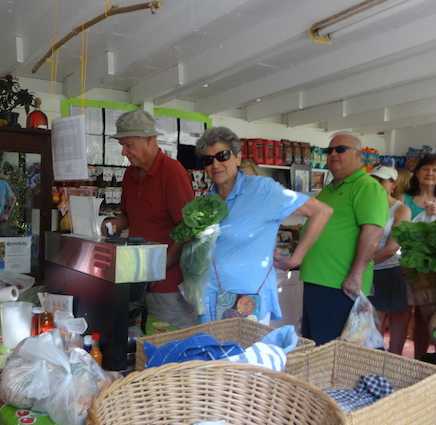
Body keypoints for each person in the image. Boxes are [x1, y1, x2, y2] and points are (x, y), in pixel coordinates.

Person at [194, 127, 332, 325]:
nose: (215, 164)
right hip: (208, 300)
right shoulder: (207, 201)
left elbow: (321, 211)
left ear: (238, 158)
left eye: (222, 156)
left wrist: (296, 259)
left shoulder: (262, 190)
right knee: (210, 356)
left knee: (243, 357)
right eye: (208, 160)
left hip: (246, 303)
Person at [106, 110, 197, 328]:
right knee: (141, 346)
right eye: (122, 145)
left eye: (128, 145)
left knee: (171, 347)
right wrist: (112, 224)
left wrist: (164, 263)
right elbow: (127, 215)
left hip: (168, 286)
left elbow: (188, 228)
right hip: (137, 280)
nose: (123, 152)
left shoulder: (172, 173)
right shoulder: (130, 175)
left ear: (149, 139)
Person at [299, 132, 388, 345]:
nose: (333, 155)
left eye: (340, 149)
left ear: (358, 155)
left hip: (341, 285)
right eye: (329, 150)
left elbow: (373, 232)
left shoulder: (366, 185)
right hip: (317, 280)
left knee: (334, 351)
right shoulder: (329, 188)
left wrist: (356, 274)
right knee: (315, 345)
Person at [367, 165, 412, 355]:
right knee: (374, 318)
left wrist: (363, 264)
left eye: (381, 181)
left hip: (390, 269)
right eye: (373, 180)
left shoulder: (401, 210)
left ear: (393, 184)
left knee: (399, 317)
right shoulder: (364, 205)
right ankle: (376, 359)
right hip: (368, 270)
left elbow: (392, 247)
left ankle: (396, 358)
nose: (376, 184)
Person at [401, 154, 436, 358]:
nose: (430, 173)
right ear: (417, 172)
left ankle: (424, 359)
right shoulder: (405, 198)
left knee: (429, 315)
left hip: (433, 269)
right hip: (409, 266)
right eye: (426, 168)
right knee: (407, 314)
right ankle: (410, 359)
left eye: (434, 170)